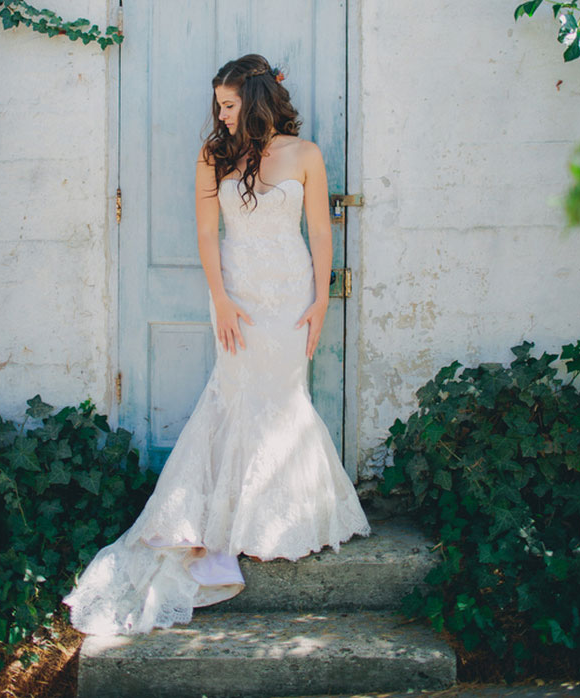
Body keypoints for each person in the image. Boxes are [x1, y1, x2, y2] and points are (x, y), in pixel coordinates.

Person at [63, 54, 370, 636]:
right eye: (218, 106)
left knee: (283, 399)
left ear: (255, 99)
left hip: (289, 290)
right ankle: (221, 519)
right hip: (236, 294)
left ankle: (279, 520)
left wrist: (321, 300)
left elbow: (321, 230)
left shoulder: (305, 156)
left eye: (228, 105)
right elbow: (208, 233)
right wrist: (221, 299)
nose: (221, 115)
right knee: (233, 395)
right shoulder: (214, 156)